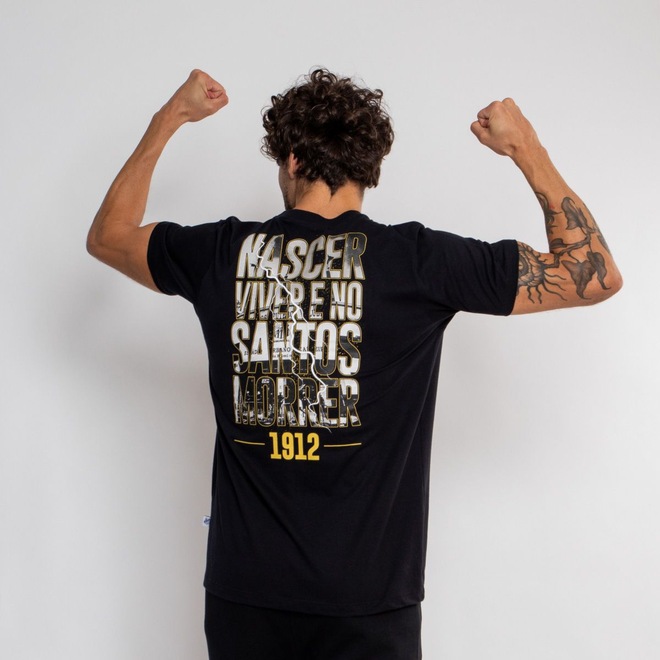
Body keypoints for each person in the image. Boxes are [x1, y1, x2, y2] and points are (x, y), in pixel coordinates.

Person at [87, 68, 622, 659]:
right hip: (371, 606)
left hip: (246, 600)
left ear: (292, 161)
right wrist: (525, 147)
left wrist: (170, 118)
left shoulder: (223, 254)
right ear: (369, 169)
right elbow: (590, 274)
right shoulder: (420, 262)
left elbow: (109, 236)